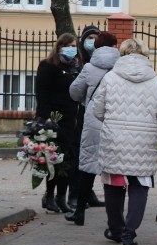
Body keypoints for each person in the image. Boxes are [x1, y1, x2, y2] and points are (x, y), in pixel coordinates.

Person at [90, 38, 157, 245]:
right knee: (140, 187)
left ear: (122, 53)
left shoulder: (110, 77)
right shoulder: (155, 81)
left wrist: (113, 122)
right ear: (145, 55)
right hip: (143, 142)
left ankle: (116, 229)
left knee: (114, 186)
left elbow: (97, 110)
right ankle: (129, 233)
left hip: (114, 140)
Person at [66, 31, 120, 225]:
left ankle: (79, 212)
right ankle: (116, 218)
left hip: (93, 121)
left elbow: (74, 92)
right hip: (116, 121)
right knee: (115, 169)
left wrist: (87, 99)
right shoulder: (122, 67)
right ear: (115, 46)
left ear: (96, 46)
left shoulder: (89, 67)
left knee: (87, 167)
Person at [35, 32, 80, 214]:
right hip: (53, 119)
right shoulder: (48, 66)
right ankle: (49, 195)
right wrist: (45, 117)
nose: (72, 49)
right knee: (53, 159)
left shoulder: (75, 67)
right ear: (60, 46)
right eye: (68, 45)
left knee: (68, 160)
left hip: (71, 120)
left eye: (74, 45)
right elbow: (41, 93)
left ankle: (62, 196)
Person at [66, 24, 107, 212]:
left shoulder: (102, 61)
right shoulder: (78, 61)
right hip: (78, 114)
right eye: (89, 38)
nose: (92, 42)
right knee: (78, 155)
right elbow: (74, 91)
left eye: (95, 38)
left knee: (92, 155)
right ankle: (74, 194)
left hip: (94, 113)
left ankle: (87, 193)